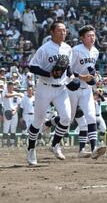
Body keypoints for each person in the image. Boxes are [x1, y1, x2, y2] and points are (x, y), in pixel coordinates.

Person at [26, 21, 73, 165]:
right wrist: (49, 73)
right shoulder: (44, 49)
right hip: (44, 87)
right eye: (59, 30)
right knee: (38, 121)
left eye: (64, 30)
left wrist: (72, 78)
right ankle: (31, 150)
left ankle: (55, 145)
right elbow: (32, 67)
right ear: (52, 32)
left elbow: (68, 68)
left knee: (66, 118)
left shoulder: (68, 48)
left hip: (61, 88)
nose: (63, 33)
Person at [68, 25, 105, 159]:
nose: (92, 38)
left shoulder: (95, 51)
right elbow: (68, 70)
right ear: (82, 38)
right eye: (89, 36)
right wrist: (81, 77)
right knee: (68, 119)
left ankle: (94, 148)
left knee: (90, 116)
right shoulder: (75, 50)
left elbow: (91, 69)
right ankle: (49, 124)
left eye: (93, 35)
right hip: (73, 87)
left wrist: (94, 75)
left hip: (86, 89)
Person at [2, 82, 22, 147]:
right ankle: (4, 144)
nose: (10, 88)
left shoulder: (16, 94)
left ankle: (12, 144)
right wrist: (16, 94)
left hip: (14, 113)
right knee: (6, 128)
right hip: (7, 112)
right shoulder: (4, 92)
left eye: (11, 87)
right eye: (9, 87)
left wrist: (15, 111)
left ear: (13, 87)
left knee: (13, 128)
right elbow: (7, 96)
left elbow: (18, 104)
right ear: (7, 87)